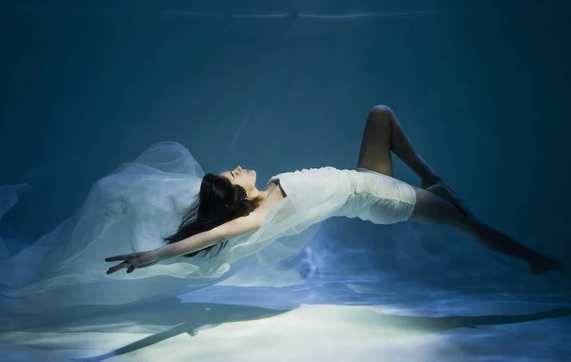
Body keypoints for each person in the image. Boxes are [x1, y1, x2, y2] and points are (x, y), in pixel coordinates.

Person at [105, 105, 563, 277]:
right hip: (383, 197)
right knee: (469, 223)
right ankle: (534, 260)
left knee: (379, 115)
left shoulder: (269, 190)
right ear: (238, 196)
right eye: (233, 174)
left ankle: (430, 177)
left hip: (368, 179)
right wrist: (153, 256)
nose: (239, 167)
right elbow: (211, 236)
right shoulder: (262, 211)